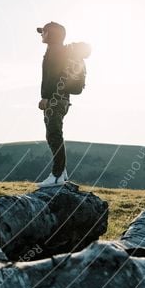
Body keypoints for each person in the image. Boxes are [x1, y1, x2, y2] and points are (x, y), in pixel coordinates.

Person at [36, 21, 91, 187]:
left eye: (44, 31)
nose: (41, 34)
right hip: (63, 100)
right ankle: (62, 172)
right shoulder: (60, 51)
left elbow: (51, 77)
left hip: (54, 99)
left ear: (51, 34)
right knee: (53, 134)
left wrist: (45, 97)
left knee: (54, 135)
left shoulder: (55, 51)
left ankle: (57, 174)